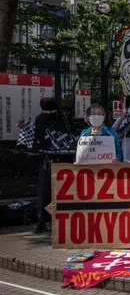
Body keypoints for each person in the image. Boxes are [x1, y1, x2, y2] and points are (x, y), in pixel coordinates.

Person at [32, 97, 71, 233]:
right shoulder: (40, 119)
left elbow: (68, 136)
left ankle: (62, 221)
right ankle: (41, 221)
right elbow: (37, 138)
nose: (48, 114)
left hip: (63, 160)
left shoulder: (63, 119)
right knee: (43, 192)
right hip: (46, 160)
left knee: (62, 192)